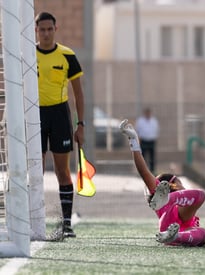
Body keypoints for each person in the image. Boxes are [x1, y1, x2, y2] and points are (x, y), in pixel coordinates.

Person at [120, 119, 205, 246]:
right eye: (180, 182)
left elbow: (143, 172)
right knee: (201, 196)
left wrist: (134, 140)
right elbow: (144, 171)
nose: (183, 186)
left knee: (204, 234)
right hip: (172, 215)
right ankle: (171, 206)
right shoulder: (165, 198)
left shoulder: (160, 199)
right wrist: (133, 140)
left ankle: (176, 236)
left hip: (170, 231)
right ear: (173, 184)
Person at [35, 12, 85, 238]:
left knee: (62, 171)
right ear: (36, 31)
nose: (45, 33)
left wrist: (80, 124)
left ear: (56, 29)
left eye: (49, 29)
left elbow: (78, 93)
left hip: (60, 116)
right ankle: (32, 220)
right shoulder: (27, 54)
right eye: (41, 29)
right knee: (35, 171)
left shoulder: (67, 55)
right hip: (34, 115)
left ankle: (66, 224)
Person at [135, 108, 159, 173]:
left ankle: (152, 170)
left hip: (151, 140)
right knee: (143, 157)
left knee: (152, 157)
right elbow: (138, 130)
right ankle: (143, 171)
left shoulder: (154, 121)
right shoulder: (140, 121)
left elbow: (156, 130)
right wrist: (139, 139)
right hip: (143, 140)